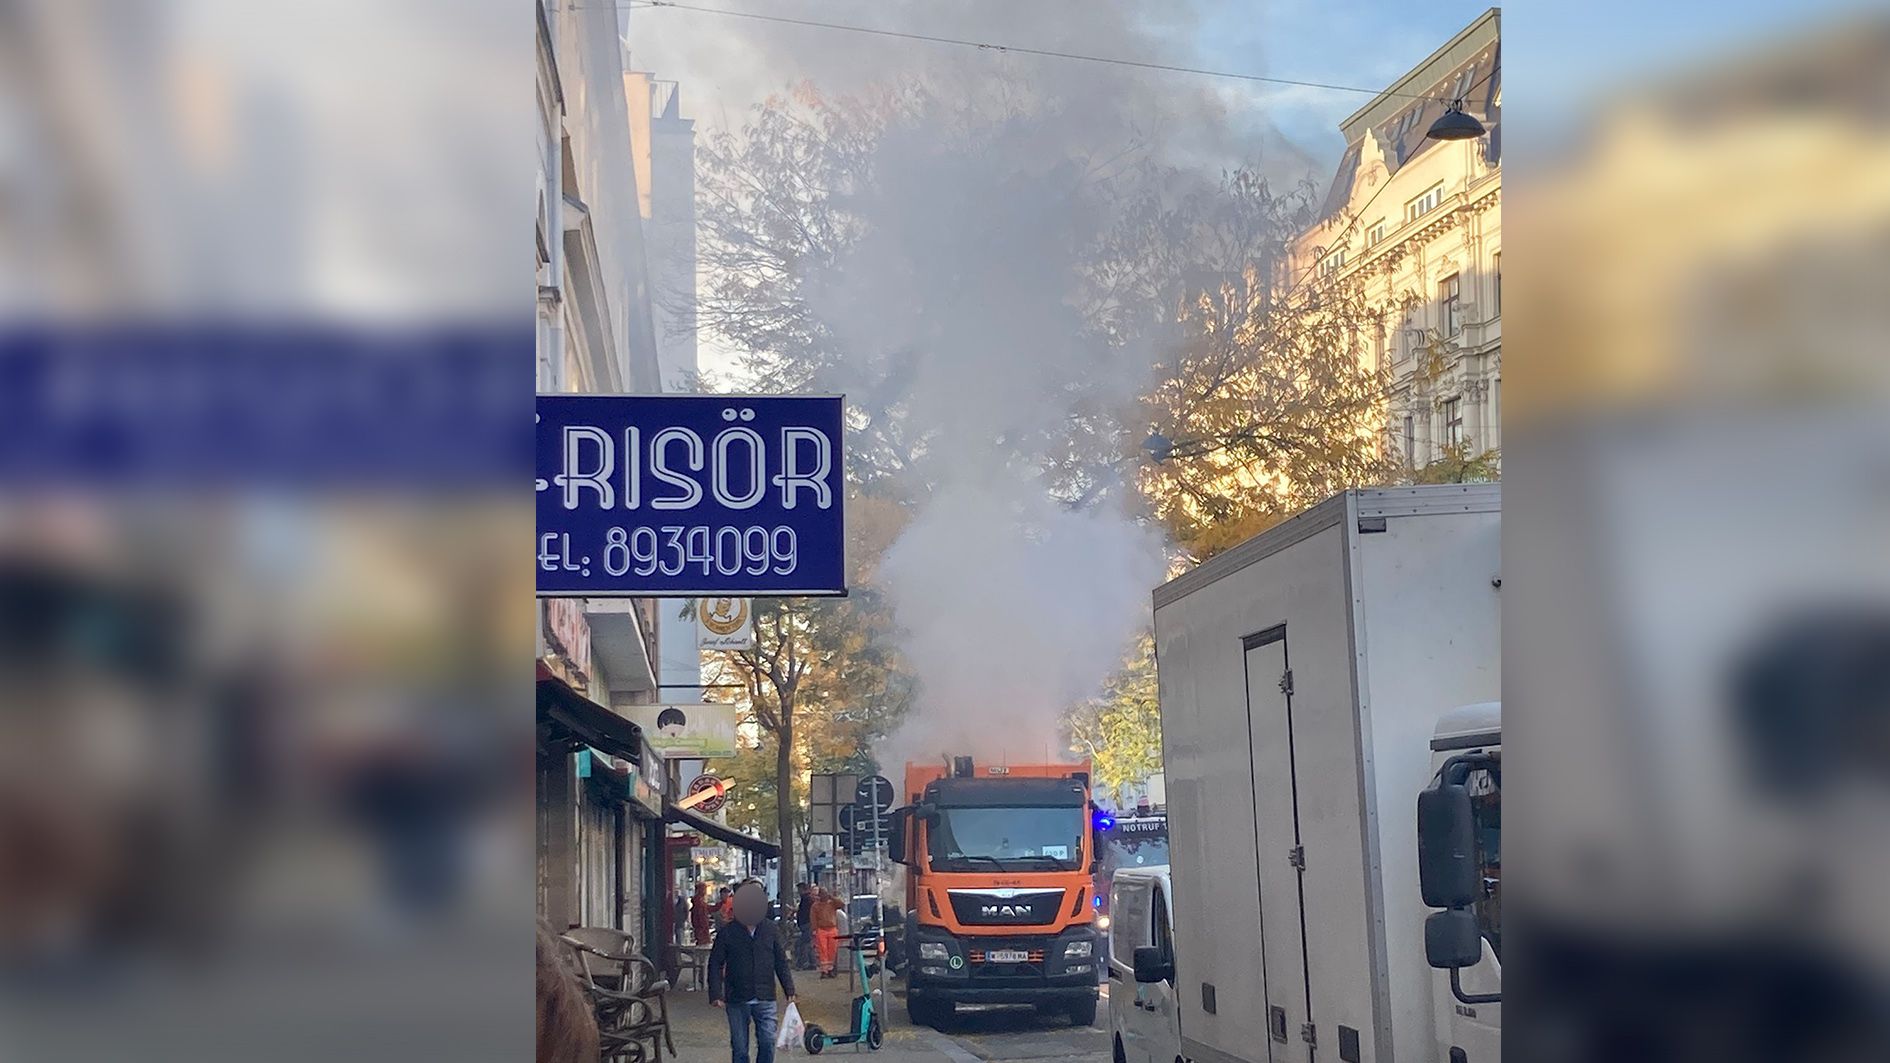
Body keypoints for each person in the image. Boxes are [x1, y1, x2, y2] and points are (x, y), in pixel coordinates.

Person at [709, 880, 797, 1063]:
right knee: (740, 1047)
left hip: (765, 995)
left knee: (767, 1041)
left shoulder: (770, 929)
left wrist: (789, 989)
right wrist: (716, 993)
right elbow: (715, 963)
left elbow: (780, 961)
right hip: (737, 996)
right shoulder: (728, 932)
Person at [810, 885, 844, 978]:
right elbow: (813, 919)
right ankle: (824, 971)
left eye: (825, 893)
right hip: (821, 930)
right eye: (822, 893)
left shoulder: (832, 903)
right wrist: (814, 930)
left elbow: (841, 904)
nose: (824, 895)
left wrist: (832, 897)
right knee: (822, 950)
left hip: (832, 929)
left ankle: (831, 969)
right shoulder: (815, 906)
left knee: (832, 950)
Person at [793, 882, 815, 970]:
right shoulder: (807, 898)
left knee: (803, 944)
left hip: (806, 924)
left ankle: (803, 963)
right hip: (806, 924)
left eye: (799, 889)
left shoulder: (806, 899)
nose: (798, 891)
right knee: (808, 944)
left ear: (802, 889)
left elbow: (805, 912)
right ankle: (812, 963)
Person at [691, 881, 712, 945]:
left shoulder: (700, 901)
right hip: (701, 930)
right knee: (703, 945)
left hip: (702, 928)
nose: (705, 891)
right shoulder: (699, 902)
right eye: (704, 889)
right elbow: (700, 917)